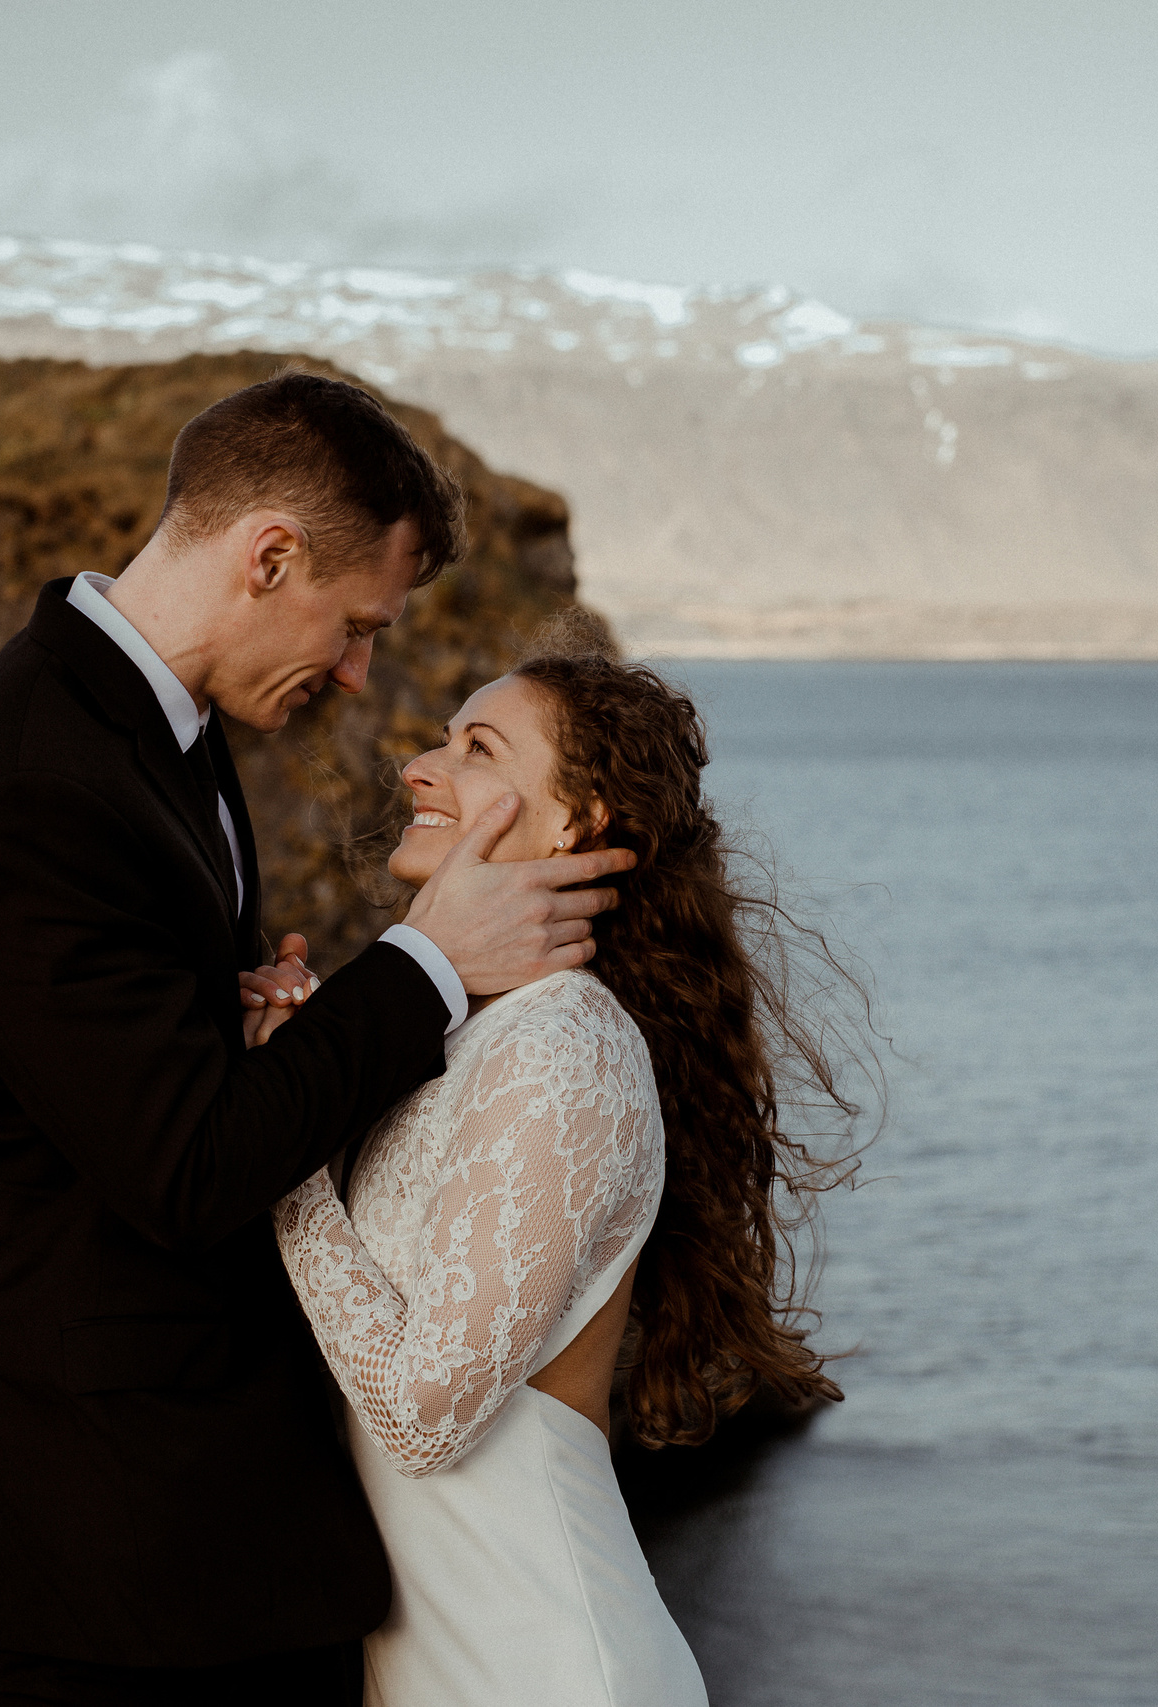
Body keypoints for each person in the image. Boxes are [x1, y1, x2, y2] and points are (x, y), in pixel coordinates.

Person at [0, 371, 637, 1707]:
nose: (355, 673)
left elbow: (136, 1079)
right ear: (268, 552)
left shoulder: (170, 735)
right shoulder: (25, 780)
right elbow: (182, 1169)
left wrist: (244, 1031)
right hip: (105, 1553)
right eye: (353, 625)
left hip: (215, 1533)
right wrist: (427, 964)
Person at [268, 646, 861, 1707]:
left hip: (544, 1666)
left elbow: (420, 1415)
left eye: (476, 748)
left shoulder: (568, 1043)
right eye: (441, 739)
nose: (418, 765)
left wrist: (284, 1160)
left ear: (574, 824)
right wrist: (306, 1070)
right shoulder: (467, 1038)